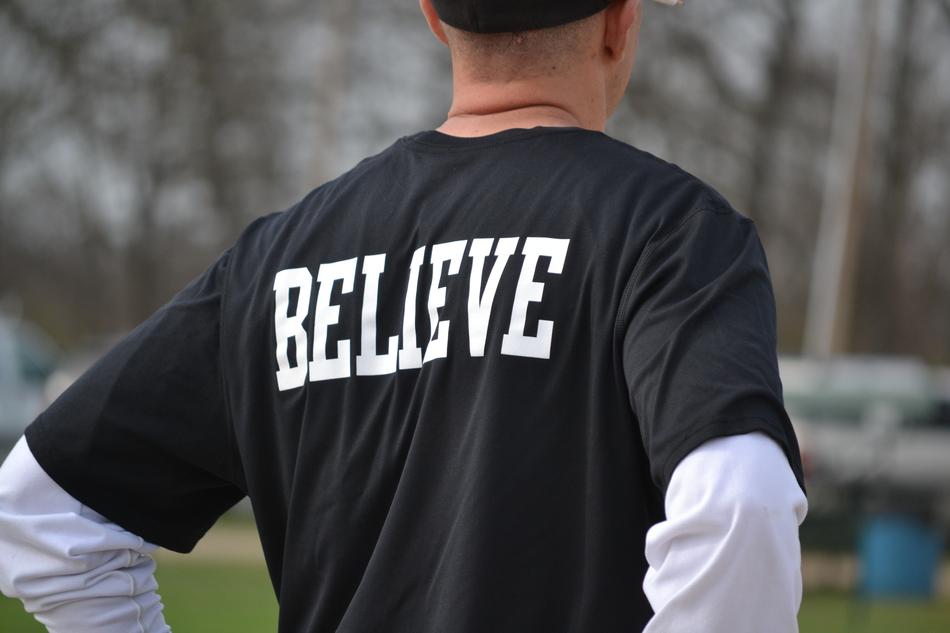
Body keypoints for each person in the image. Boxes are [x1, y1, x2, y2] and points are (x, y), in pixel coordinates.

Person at [0, 0, 808, 631]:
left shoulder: (282, 256)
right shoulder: (670, 232)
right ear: (619, 22)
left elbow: (39, 510)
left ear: (432, 16)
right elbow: (741, 503)